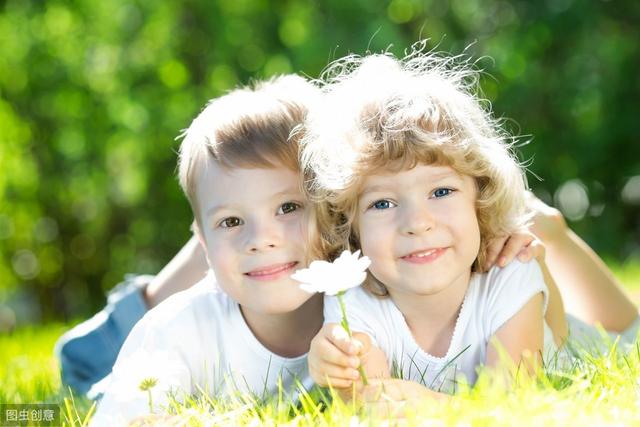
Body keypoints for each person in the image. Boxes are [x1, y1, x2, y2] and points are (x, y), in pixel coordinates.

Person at [300, 50, 640, 400]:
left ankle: (546, 226)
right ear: (349, 226)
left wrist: (423, 406)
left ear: (479, 196)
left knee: (632, 335)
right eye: (382, 203)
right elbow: (367, 403)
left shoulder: (509, 273)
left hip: (590, 343)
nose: (417, 223)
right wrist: (339, 372)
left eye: (441, 190)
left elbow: (509, 401)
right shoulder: (352, 299)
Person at [90, 75, 326, 425]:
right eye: (231, 222)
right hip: (99, 366)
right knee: (83, 370)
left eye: (288, 207)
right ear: (202, 240)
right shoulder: (176, 330)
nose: (261, 239)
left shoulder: (370, 307)